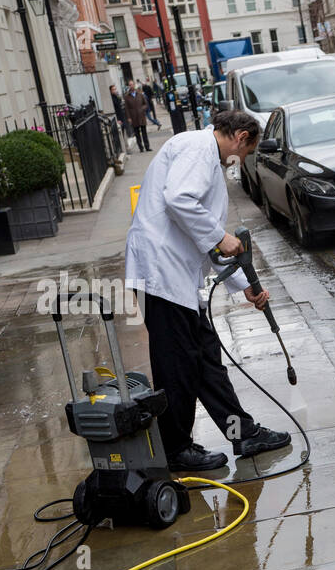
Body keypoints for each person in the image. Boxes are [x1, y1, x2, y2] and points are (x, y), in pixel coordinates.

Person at [124, 110, 291, 471]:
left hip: (175, 276)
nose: (241, 161)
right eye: (245, 153)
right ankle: (175, 450)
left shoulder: (207, 157)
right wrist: (221, 236)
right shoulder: (198, 148)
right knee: (178, 366)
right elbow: (180, 200)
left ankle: (243, 433)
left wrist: (245, 286)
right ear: (241, 136)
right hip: (162, 273)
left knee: (204, 359)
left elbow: (207, 234)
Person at [124, 80, 150, 152]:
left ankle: (147, 147)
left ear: (134, 85)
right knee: (137, 134)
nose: (131, 86)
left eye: (132, 84)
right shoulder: (127, 96)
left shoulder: (140, 94)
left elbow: (146, 104)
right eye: (130, 85)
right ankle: (141, 148)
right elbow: (126, 108)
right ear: (128, 86)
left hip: (141, 116)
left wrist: (142, 109)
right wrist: (129, 117)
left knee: (144, 132)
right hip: (134, 117)